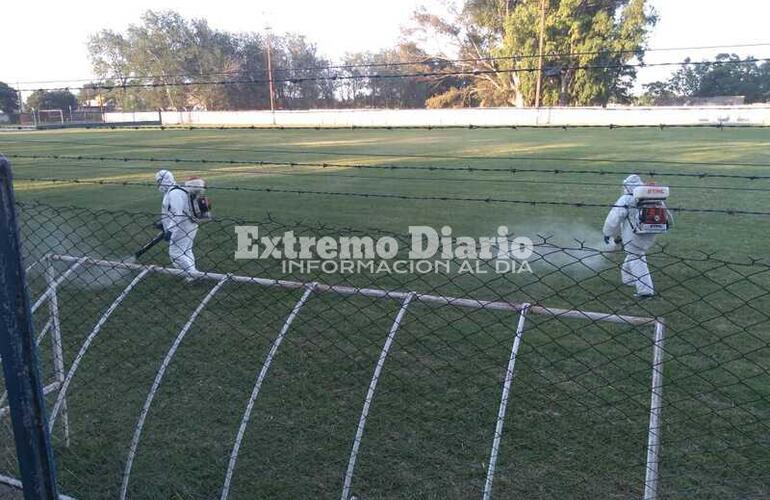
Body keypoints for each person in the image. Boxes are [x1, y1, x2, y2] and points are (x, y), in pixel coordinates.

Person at [603, 174, 670, 298]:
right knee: (636, 253)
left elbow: (614, 218)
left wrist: (608, 233)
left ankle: (645, 291)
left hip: (634, 233)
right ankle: (628, 279)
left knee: (636, 257)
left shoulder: (626, 199)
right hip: (651, 232)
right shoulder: (653, 197)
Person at [155, 170, 208, 276]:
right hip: (188, 224)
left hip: (182, 226)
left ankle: (194, 274)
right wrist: (163, 223)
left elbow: (177, 214)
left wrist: (169, 230)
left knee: (175, 253)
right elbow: (173, 211)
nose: (158, 185)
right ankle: (191, 275)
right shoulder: (175, 190)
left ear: (164, 180)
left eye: (159, 181)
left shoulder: (174, 192)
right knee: (186, 250)